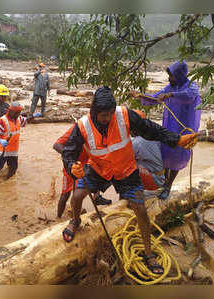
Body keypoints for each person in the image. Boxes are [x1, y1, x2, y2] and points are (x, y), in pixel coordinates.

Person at [61, 86, 198, 274]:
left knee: (140, 209)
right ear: (93, 110)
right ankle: (75, 221)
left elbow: (152, 130)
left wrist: (176, 140)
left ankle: (148, 253)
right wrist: (72, 167)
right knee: (76, 197)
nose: (107, 118)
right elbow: (69, 152)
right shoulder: (82, 125)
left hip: (126, 169)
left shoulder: (125, 114)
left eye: (110, 113)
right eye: (103, 115)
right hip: (98, 169)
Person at [130, 60, 202, 200]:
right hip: (169, 126)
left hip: (184, 129)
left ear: (180, 75)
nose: (170, 79)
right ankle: (165, 184)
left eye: (172, 76)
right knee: (167, 155)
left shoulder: (191, 86)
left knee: (177, 157)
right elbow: (156, 98)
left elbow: (189, 95)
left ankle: (168, 186)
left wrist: (171, 95)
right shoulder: (170, 87)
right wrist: (141, 96)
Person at [53, 125, 112, 218]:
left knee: (79, 192)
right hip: (71, 167)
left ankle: (95, 198)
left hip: (85, 167)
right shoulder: (78, 128)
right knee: (65, 195)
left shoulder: (101, 130)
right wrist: (70, 158)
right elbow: (56, 145)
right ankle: (58, 218)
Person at [0, 102, 28, 180]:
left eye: (19, 113)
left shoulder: (18, 118)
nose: (18, 115)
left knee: (13, 168)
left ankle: (6, 182)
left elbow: (25, 121)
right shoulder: (2, 120)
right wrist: (0, 140)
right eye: (16, 113)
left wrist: (33, 116)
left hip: (13, 150)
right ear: (10, 111)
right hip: (3, 150)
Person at [131, 110, 165, 191]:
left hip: (154, 181)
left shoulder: (136, 143)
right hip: (161, 177)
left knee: (127, 168)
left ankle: (131, 195)